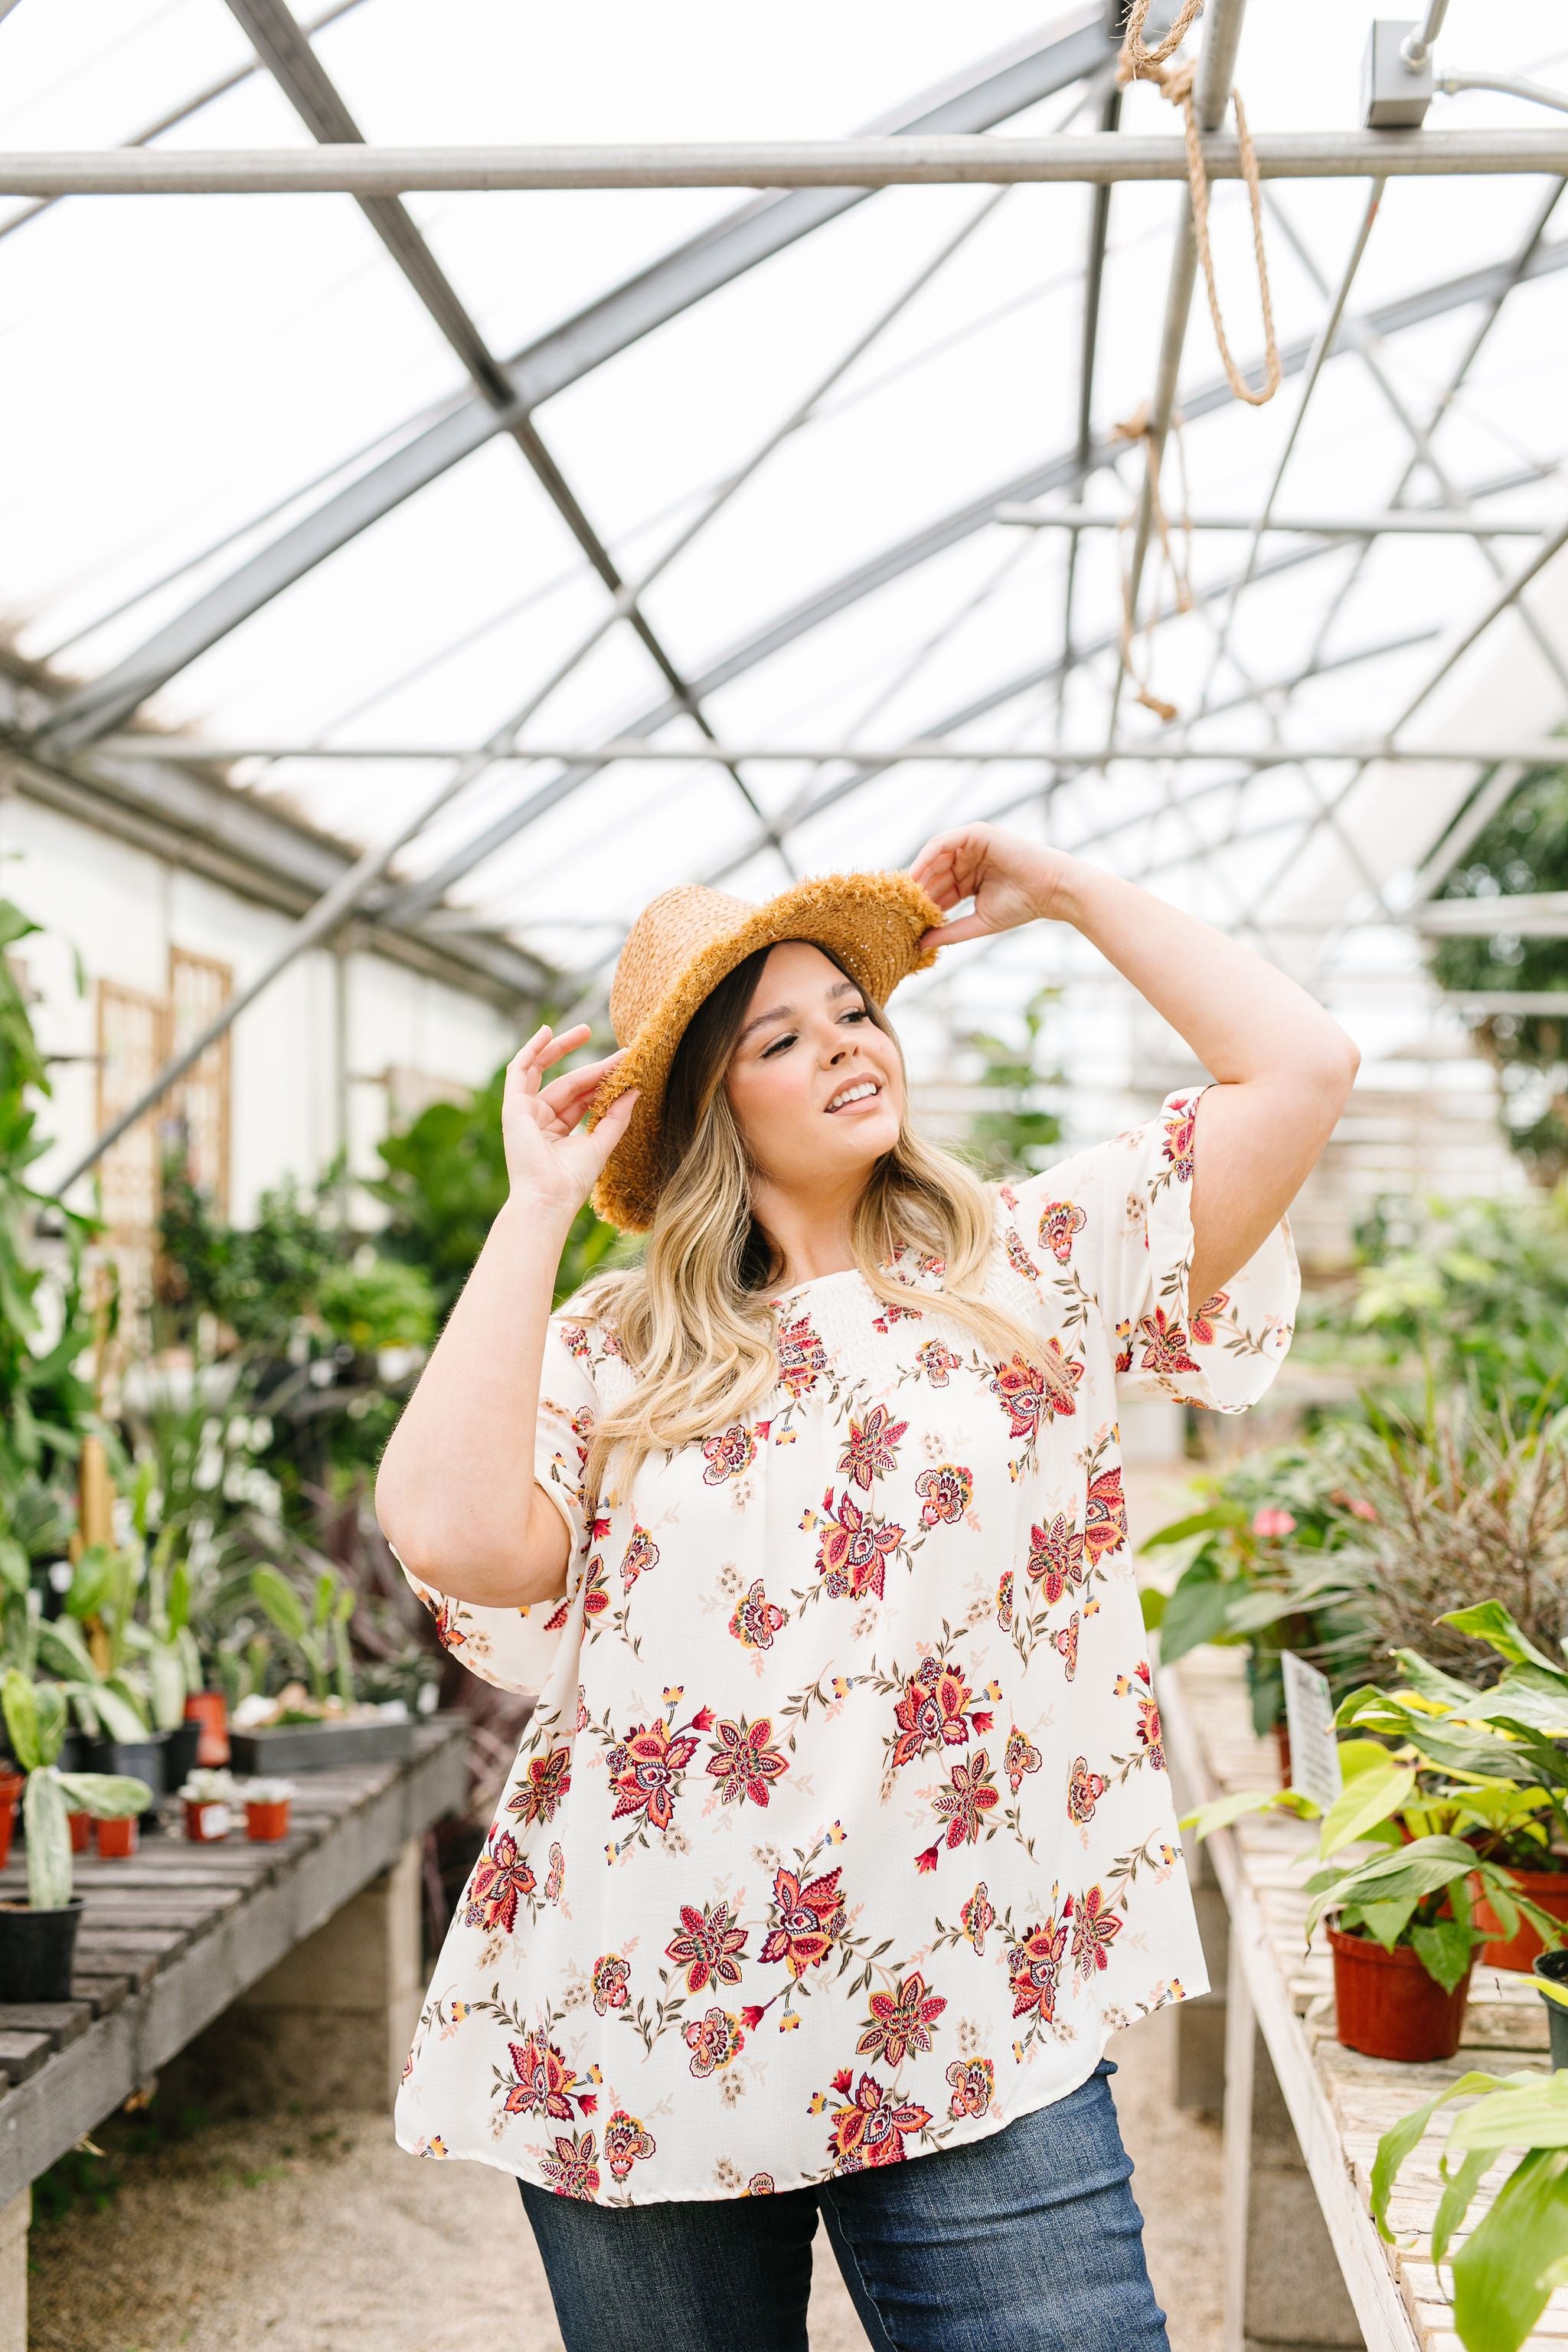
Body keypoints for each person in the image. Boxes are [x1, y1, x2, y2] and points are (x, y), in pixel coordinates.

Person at [374, 823, 1357, 2352]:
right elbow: (446, 1530)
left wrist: (1077, 896)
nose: (844, 1046)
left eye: (855, 1010)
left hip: (967, 2008)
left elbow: (1299, 1070)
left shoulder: (1039, 1263)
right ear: (710, 1101)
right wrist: (536, 1205)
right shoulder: (617, 1352)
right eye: (780, 1034)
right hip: (644, 2012)